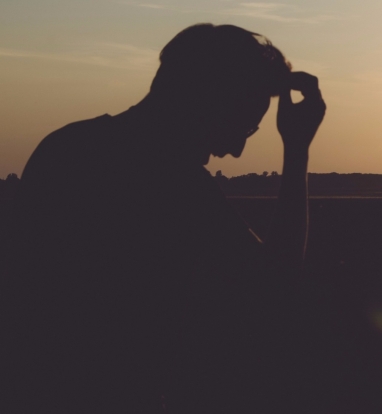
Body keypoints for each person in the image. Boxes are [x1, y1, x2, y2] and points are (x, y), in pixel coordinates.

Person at [4, 24, 326, 412]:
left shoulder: (64, 147)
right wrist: (297, 149)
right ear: (209, 100)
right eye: (243, 125)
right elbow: (274, 283)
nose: (237, 149)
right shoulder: (172, 180)